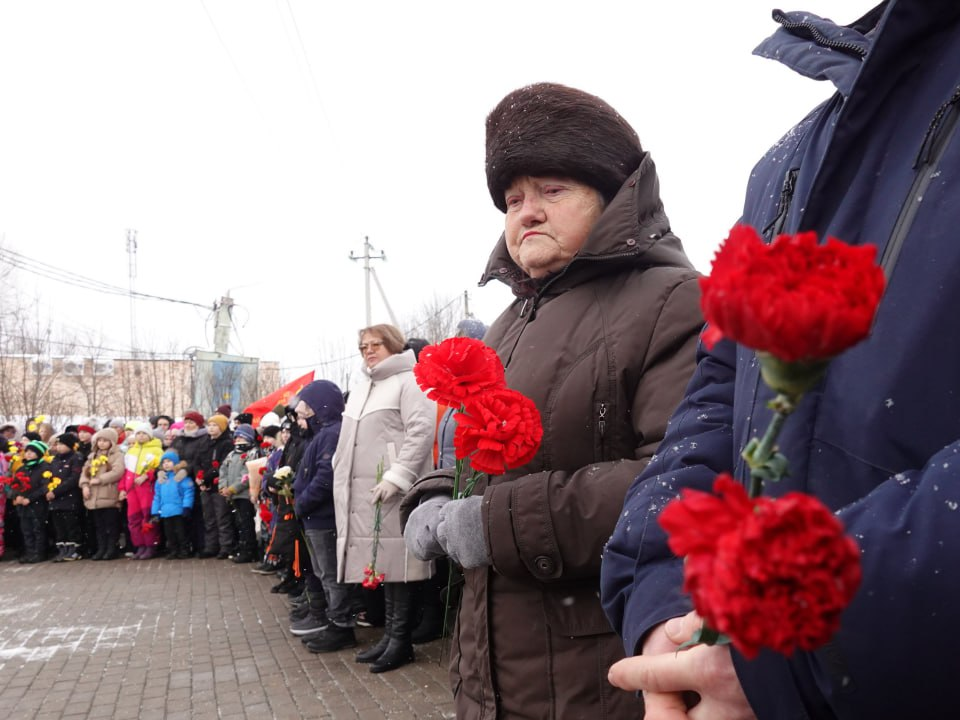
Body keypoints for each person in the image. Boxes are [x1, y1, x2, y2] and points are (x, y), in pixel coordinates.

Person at [600, 4, 960, 719]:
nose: (528, 212)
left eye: (550, 189)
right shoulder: (789, 157)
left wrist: (797, 641)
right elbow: (715, 392)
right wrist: (669, 608)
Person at [401, 82, 703, 718]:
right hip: (490, 670)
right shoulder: (509, 322)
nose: (526, 213)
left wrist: (491, 525)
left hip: (596, 675)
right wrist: (430, 496)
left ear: (615, 195)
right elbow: (473, 455)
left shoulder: (673, 302)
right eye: (513, 199)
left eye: (553, 191)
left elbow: (680, 485)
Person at [330, 324, 437, 672]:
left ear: (392, 345)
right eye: (363, 347)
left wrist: (398, 474)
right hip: (365, 491)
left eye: (376, 344)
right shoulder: (363, 387)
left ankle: (401, 640)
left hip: (393, 489)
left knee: (400, 565)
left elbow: (421, 430)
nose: (369, 351)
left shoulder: (409, 380)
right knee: (382, 567)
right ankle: (390, 636)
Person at [286, 381, 349, 646]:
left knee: (331, 574)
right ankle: (332, 620)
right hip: (314, 516)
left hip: (322, 516)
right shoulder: (320, 435)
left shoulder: (331, 434)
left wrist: (302, 503)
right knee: (324, 573)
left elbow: (326, 477)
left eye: (307, 407)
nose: (302, 415)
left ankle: (341, 626)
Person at [119, 423, 163, 560]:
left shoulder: (156, 450)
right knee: (133, 519)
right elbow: (125, 472)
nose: (141, 436)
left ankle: (151, 545)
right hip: (132, 490)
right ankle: (140, 545)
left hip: (146, 489)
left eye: (144, 433)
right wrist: (122, 489)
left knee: (148, 517)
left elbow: (159, 468)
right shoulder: (131, 451)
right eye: (138, 433)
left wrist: (147, 475)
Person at [218, 423, 260, 563]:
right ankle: (241, 547)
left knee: (246, 523)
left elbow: (247, 475)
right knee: (238, 523)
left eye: (242, 437)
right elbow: (223, 470)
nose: (239, 440)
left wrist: (233, 488)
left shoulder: (251, 453)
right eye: (237, 437)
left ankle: (249, 550)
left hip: (244, 495)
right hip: (232, 495)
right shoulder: (231, 454)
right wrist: (223, 486)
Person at [10, 439, 52, 563]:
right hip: (23, 504)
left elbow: (44, 487)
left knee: (38, 529)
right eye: (27, 451)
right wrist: (16, 496)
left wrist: (30, 498)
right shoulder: (21, 469)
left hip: (37, 504)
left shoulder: (44, 467)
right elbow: (14, 485)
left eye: (32, 452)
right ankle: (30, 552)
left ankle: (40, 553)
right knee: (26, 530)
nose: (28, 454)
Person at [149, 449, 195, 560]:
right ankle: (173, 550)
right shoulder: (161, 479)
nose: (166, 464)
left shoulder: (181, 477)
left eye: (169, 461)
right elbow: (157, 496)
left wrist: (187, 507)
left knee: (181, 532)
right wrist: (155, 511)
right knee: (169, 533)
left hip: (178, 510)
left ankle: (184, 549)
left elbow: (188, 492)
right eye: (164, 462)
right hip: (165, 511)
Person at [196, 414, 231, 558]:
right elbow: (197, 462)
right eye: (209, 425)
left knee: (222, 518)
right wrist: (198, 478)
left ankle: (226, 547)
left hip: (218, 485)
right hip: (205, 486)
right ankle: (211, 546)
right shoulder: (204, 442)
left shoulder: (227, 443)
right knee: (209, 518)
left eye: (215, 425)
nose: (211, 428)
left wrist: (205, 479)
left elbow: (222, 465)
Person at [46, 432, 84, 562]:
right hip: (55, 499)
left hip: (69, 497)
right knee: (59, 526)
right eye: (57, 444)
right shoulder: (55, 459)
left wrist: (56, 491)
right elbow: (48, 476)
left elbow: (73, 478)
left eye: (62, 444)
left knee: (71, 525)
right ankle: (62, 549)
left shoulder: (75, 458)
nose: (59, 447)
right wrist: (49, 490)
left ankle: (74, 550)